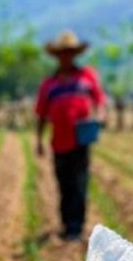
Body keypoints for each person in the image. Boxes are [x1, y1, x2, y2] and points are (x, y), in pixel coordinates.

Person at [35, 30, 107, 241]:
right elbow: (41, 114)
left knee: (80, 183)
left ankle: (77, 226)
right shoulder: (49, 84)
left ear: (75, 55)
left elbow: (100, 101)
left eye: (70, 53)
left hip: (81, 139)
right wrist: (38, 140)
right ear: (57, 56)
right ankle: (67, 224)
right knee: (64, 184)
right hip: (58, 142)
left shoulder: (87, 77)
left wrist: (100, 116)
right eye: (62, 53)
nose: (66, 57)